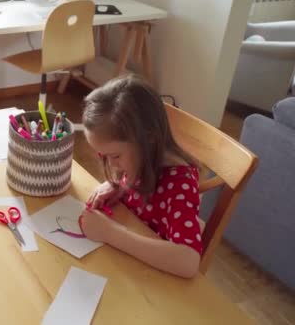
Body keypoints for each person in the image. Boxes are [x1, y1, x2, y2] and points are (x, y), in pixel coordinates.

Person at [79, 75, 202, 278]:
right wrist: (118, 185)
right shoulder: (142, 160)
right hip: (127, 268)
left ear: (149, 138)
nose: (111, 165)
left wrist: (110, 233)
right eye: (104, 156)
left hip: (157, 285)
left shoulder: (180, 184)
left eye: (115, 156)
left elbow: (188, 261)